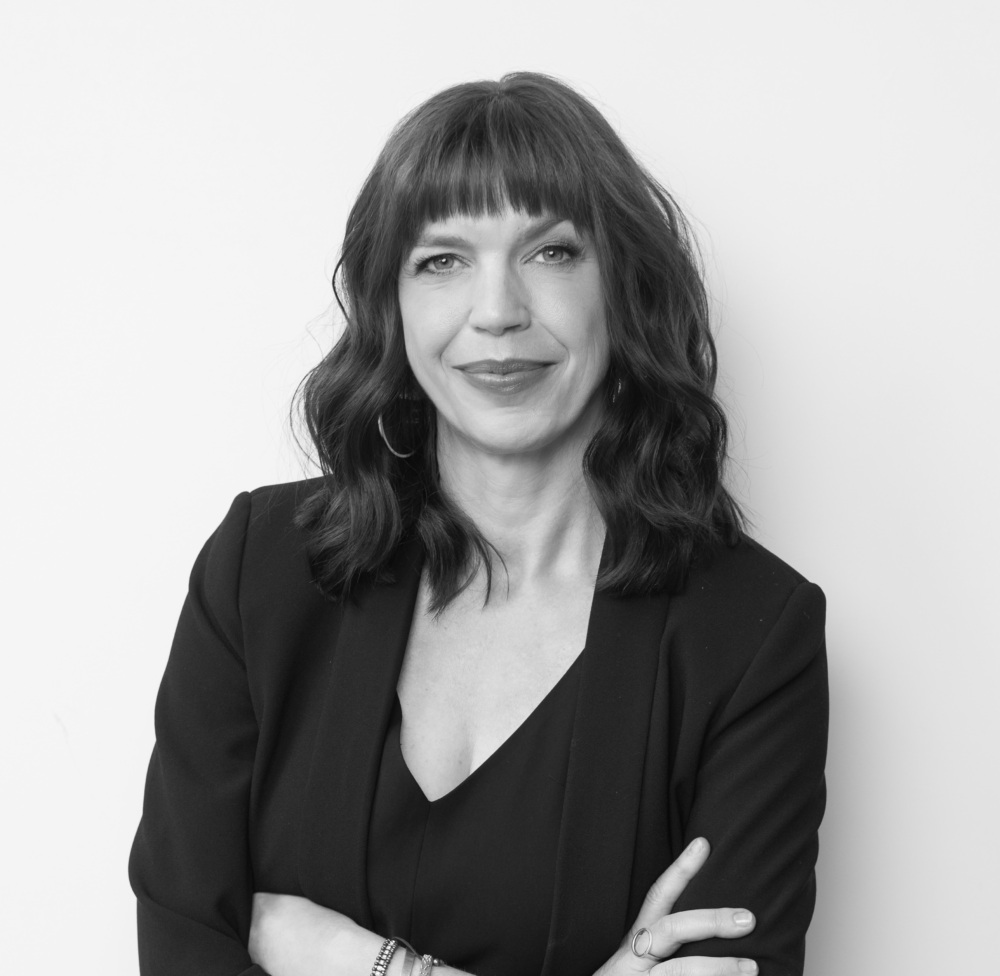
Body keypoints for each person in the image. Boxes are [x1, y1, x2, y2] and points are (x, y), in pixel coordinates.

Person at [129, 72, 828, 976]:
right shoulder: (258, 572)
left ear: (624, 288)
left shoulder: (754, 637)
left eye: (552, 253)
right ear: (394, 308)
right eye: (442, 260)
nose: (497, 312)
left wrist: (359, 963)